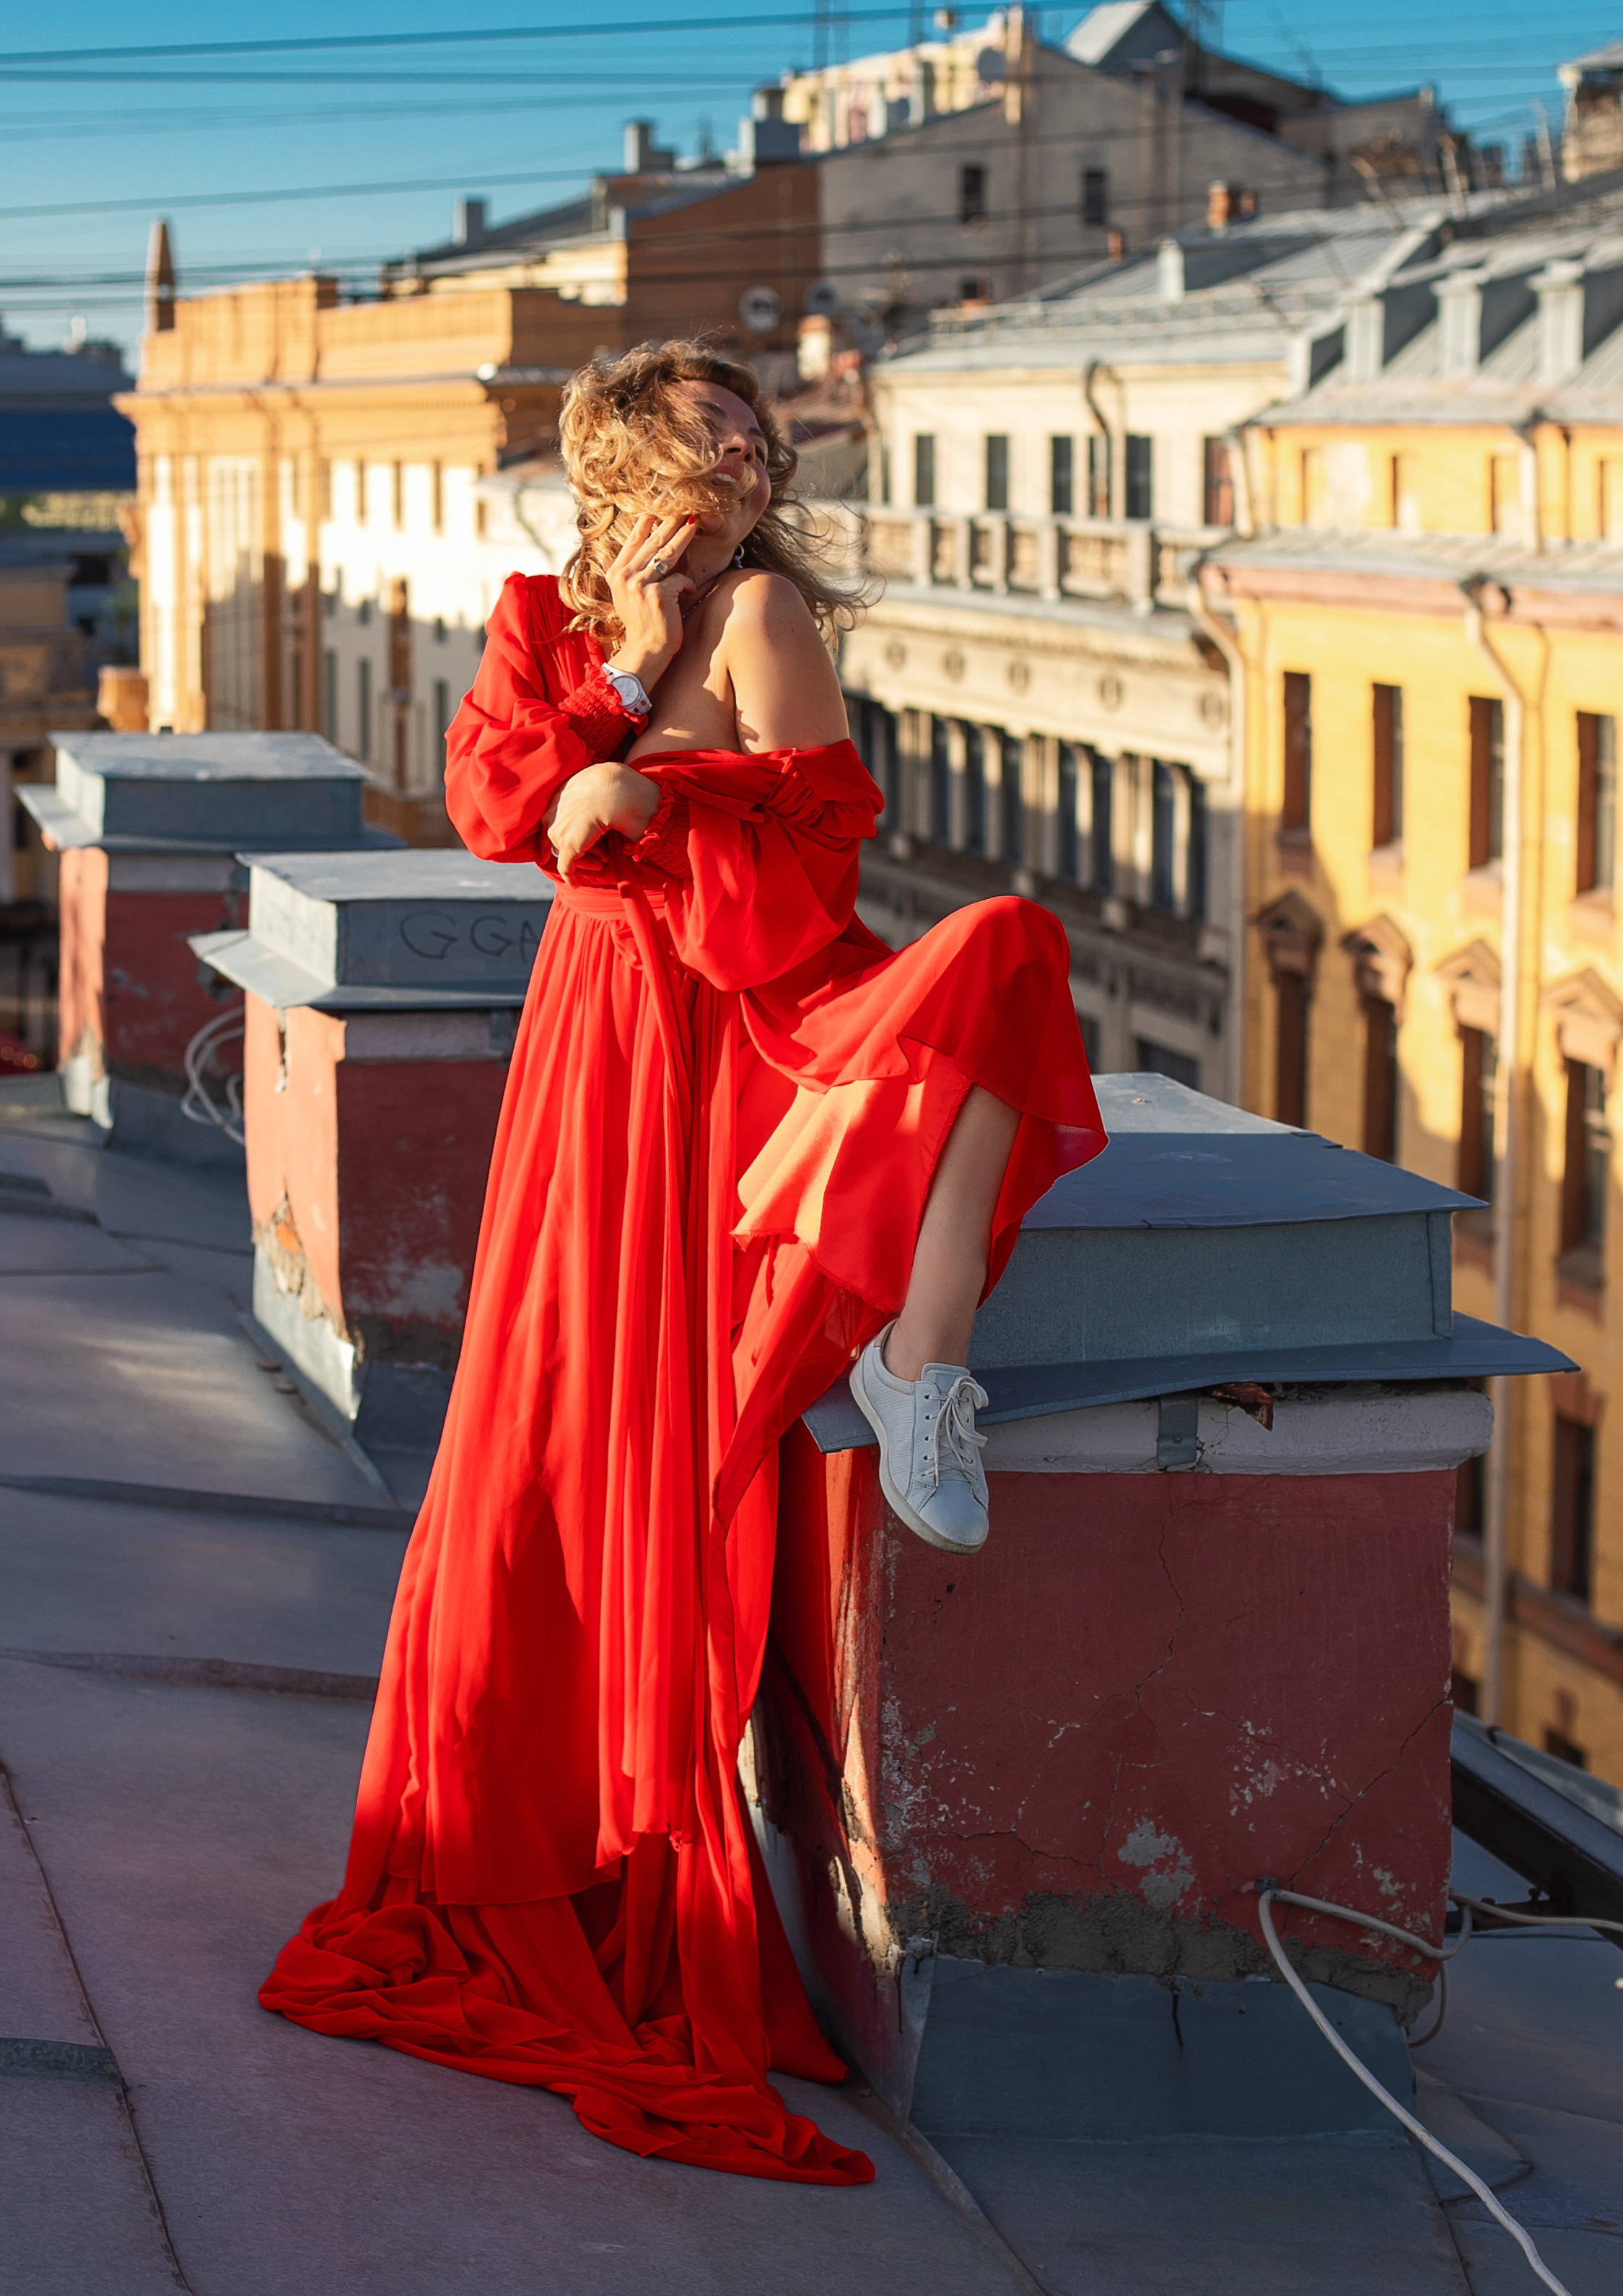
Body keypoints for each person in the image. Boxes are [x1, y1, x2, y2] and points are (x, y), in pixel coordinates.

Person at [259, 339, 1103, 2185]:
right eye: (711, 425)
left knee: (1008, 954)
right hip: (589, 1047)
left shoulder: (768, 614)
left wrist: (643, 794)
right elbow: (508, 819)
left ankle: (923, 1367)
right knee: (530, 1459)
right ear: (624, 448)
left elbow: (815, 855)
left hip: (722, 1023)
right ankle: (496, 1839)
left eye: (756, 430)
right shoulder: (533, 617)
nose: (747, 448)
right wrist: (628, 704)